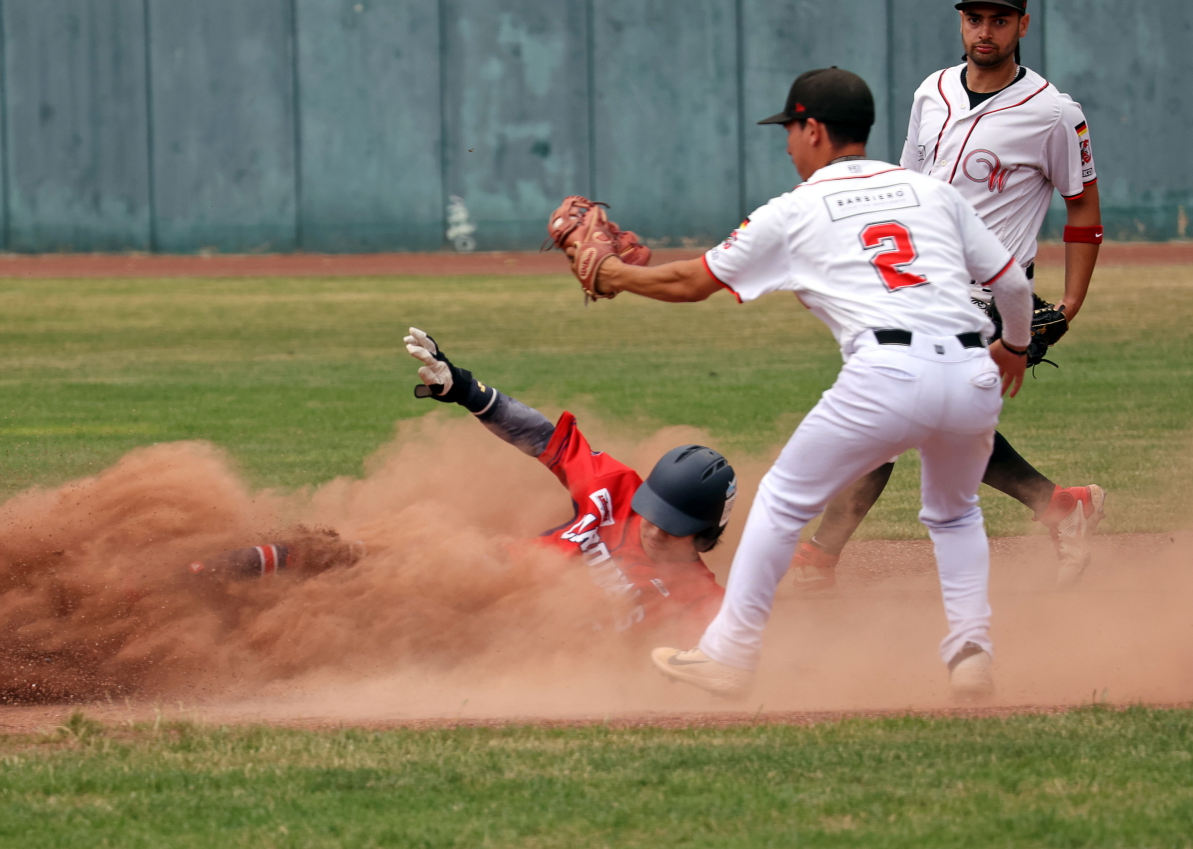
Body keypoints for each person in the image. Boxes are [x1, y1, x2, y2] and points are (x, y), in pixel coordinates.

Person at [568, 67, 1033, 700]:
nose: (788, 143)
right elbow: (1012, 285)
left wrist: (614, 277)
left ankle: (730, 655)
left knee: (784, 499)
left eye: (790, 129)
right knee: (953, 516)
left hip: (886, 373)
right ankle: (972, 652)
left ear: (814, 129)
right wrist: (1015, 346)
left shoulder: (795, 209)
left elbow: (691, 283)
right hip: (972, 373)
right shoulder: (932, 193)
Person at [789, 0, 1105, 593]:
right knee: (915, 414)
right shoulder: (930, 92)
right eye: (975, 18)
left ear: (1023, 25)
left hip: (986, 296)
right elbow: (906, 187)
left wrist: (1071, 301)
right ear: (961, 21)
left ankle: (820, 554)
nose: (985, 31)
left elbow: (1082, 203)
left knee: (891, 402)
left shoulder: (1054, 113)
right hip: (917, 287)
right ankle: (1060, 504)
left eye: (1000, 19)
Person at [404, 327, 732, 643]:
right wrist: (466, 390)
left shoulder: (702, 602)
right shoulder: (615, 489)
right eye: (653, 513)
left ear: (704, 533)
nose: (656, 531)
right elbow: (541, 436)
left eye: (673, 527)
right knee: (389, 570)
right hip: (490, 578)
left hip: (530, 648)